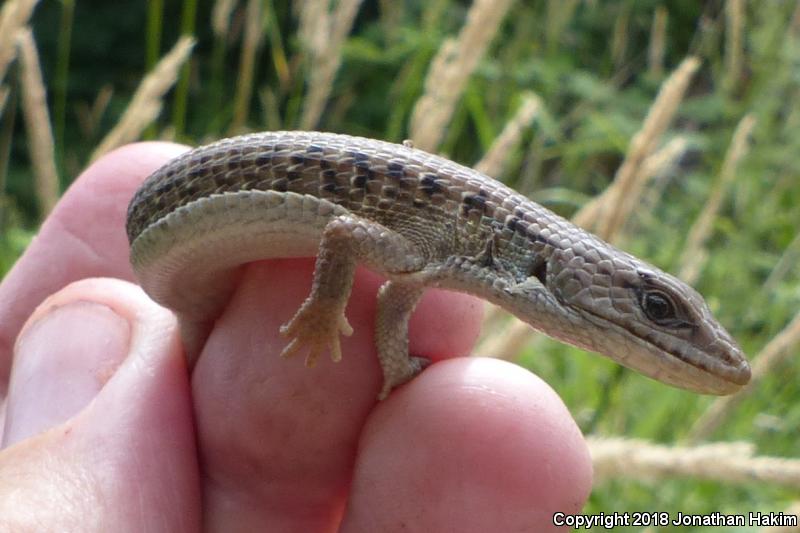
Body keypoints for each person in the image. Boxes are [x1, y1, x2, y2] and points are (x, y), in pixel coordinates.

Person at [0, 142, 591, 531]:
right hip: (174, 208)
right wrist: (325, 304)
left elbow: (395, 293)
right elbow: (343, 230)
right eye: (654, 308)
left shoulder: (440, 259)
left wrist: (396, 367)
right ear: (559, 267)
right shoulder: (443, 239)